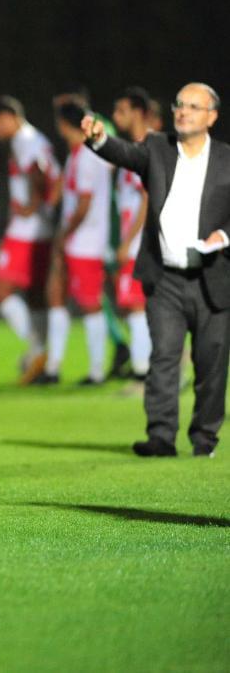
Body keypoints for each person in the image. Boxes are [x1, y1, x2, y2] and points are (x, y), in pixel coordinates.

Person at [82, 83, 230, 457]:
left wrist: (223, 236)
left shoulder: (227, 159)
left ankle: (204, 438)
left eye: (194, 107)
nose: (183, 111)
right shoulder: (157, 148)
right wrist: (99, 140)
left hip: (212, 276)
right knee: (162, 355)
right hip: (165, 277)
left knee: (211, 362)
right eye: (179, 104)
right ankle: (161, 436)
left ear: (211, 116)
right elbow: (124, 153)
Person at [0, 95, 61, 383]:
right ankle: (40, 355)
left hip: (26, 230)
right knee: (35, 297)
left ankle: (38, 350)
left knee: (2, 292)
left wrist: (31, 204)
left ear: (8, 117)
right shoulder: (34, 138)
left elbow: (38, 171)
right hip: (40, 229)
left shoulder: (25, 139)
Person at [40, 99, 113, 385]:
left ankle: (96, 370)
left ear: (63, 125)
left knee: (90, 303)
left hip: (86, 241)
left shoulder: (86, 156)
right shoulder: (78, 155)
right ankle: (53, 366)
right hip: (76, 240)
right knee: (55, 295)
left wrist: (63, 234)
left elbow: (84, 204)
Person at [110, 87, 154, 387]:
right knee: (132, 304)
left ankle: (143, 371)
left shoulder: (147, 147)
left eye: (121, 110)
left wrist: (128, 242)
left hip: (141, 241)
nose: (116, 117)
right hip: (137, 239)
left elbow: (147, 199)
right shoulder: (135, 148)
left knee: (135, 304)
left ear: (137, 112)